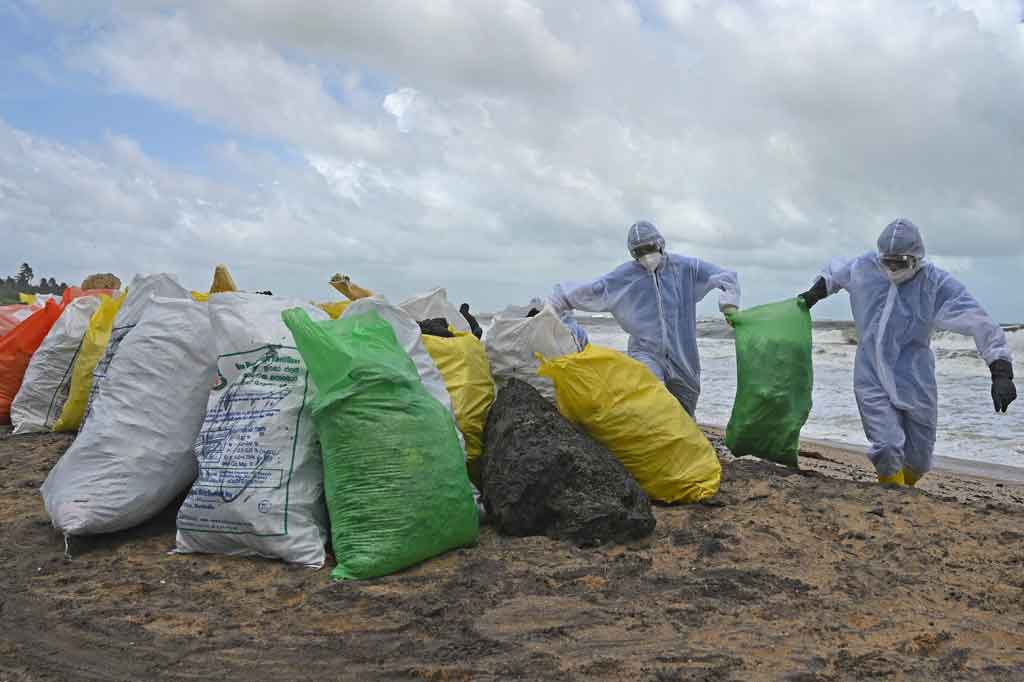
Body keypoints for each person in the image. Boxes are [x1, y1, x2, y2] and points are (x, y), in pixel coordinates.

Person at [798, 218, 1016, 486]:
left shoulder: (935, 284)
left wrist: (1001, 371)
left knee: (920, 460)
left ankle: (903, 486)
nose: (892, 268)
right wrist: (813, 294)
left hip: (915, 378)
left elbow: (978, 320)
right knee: (887, 446)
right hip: (871, 374)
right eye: (887, 261)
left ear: (915, 258)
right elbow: (835, 272)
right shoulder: (865, 267)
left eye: (899, 262)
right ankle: (891, 492)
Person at [550, 220, 740, 417]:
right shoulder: (625, 276)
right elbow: (589, 291)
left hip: (684, 357)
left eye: (649, 248)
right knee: (653, 400)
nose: (646, 256)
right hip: (645, 352)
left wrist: (729, 306)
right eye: (639, 252)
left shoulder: (685, 268)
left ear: (660, 244)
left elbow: (726, 277)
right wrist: (554, 308)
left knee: (684, 415)